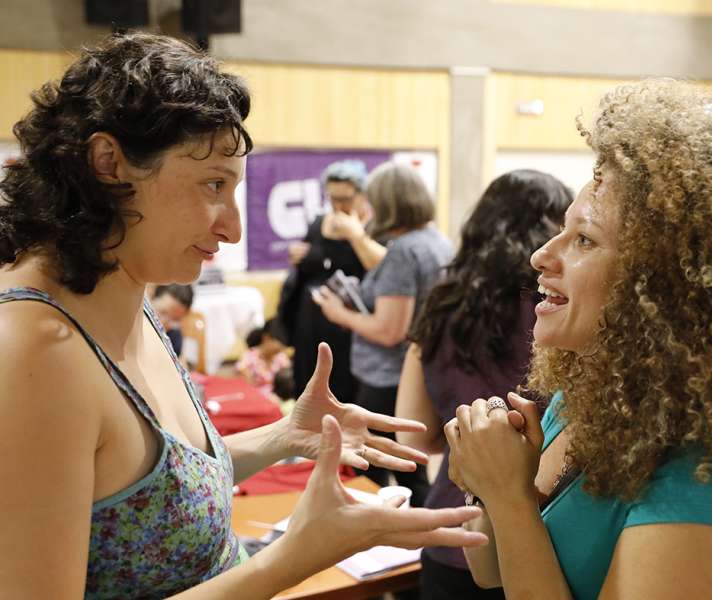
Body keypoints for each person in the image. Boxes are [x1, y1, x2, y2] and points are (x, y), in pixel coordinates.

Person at [0, 32, 488, 599]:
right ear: (109, 163)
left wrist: (284, 434)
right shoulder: (35, 352)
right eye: (213, 185)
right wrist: (294, 556)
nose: (232, 227)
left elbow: (141, 495)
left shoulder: (122, 287)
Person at [445, 79, 712, 599]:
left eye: (583, 240)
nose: (541, 255)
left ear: (662, 284)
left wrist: (509, 495)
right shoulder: (590, 399)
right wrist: (490, 483)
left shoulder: (711, 469)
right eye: (562, 230)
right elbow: (492, 570)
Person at [395, 169, 572, 599]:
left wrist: (468, 435)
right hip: (538, 532)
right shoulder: (554, 312)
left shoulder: (442, 306)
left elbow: (412, 434)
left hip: (448, 523)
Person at [313, 162, 453, 507]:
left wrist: (339, 313)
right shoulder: (436, 240)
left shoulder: (404, 250)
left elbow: (390, 330)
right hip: (417, 371)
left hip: (387, 376)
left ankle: (395, 544)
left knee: (380, 466)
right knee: (410, 465)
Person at [279, 159, 386, 404]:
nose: (338, 205)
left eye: (345, 199)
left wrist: (322, 255)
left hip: (349, 323)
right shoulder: (319, 223)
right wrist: (301, 257)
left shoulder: (373, 229)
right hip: (311, 319)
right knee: (308, 379)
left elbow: (375, 270)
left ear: (362, 195)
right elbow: (307, 263)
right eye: (332, 198)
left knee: (344, 388)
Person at [237, 319, 292, 399]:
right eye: (280, 341)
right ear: (267, 338)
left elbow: (288, 385)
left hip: (279, 400)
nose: (283, 345)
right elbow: (245, 385)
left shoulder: (281, 357)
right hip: (255, 400)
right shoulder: (249, 357)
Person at [151, 283, 195, 357]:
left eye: (175, 320)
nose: (165, 323)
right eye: (163, 313)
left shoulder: (174, 336)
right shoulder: (138, 327)